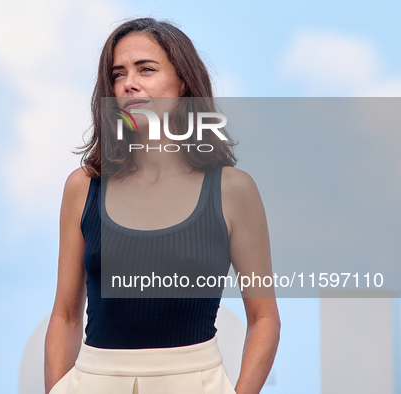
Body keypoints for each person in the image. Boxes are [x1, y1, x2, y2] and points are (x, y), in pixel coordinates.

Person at [44, 17, 280, 394]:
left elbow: (265, 319)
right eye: (118, 74)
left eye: (146, 70)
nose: (129, 83)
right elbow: (66, 316)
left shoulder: (233, 190)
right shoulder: (83, 186)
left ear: (183, 81)